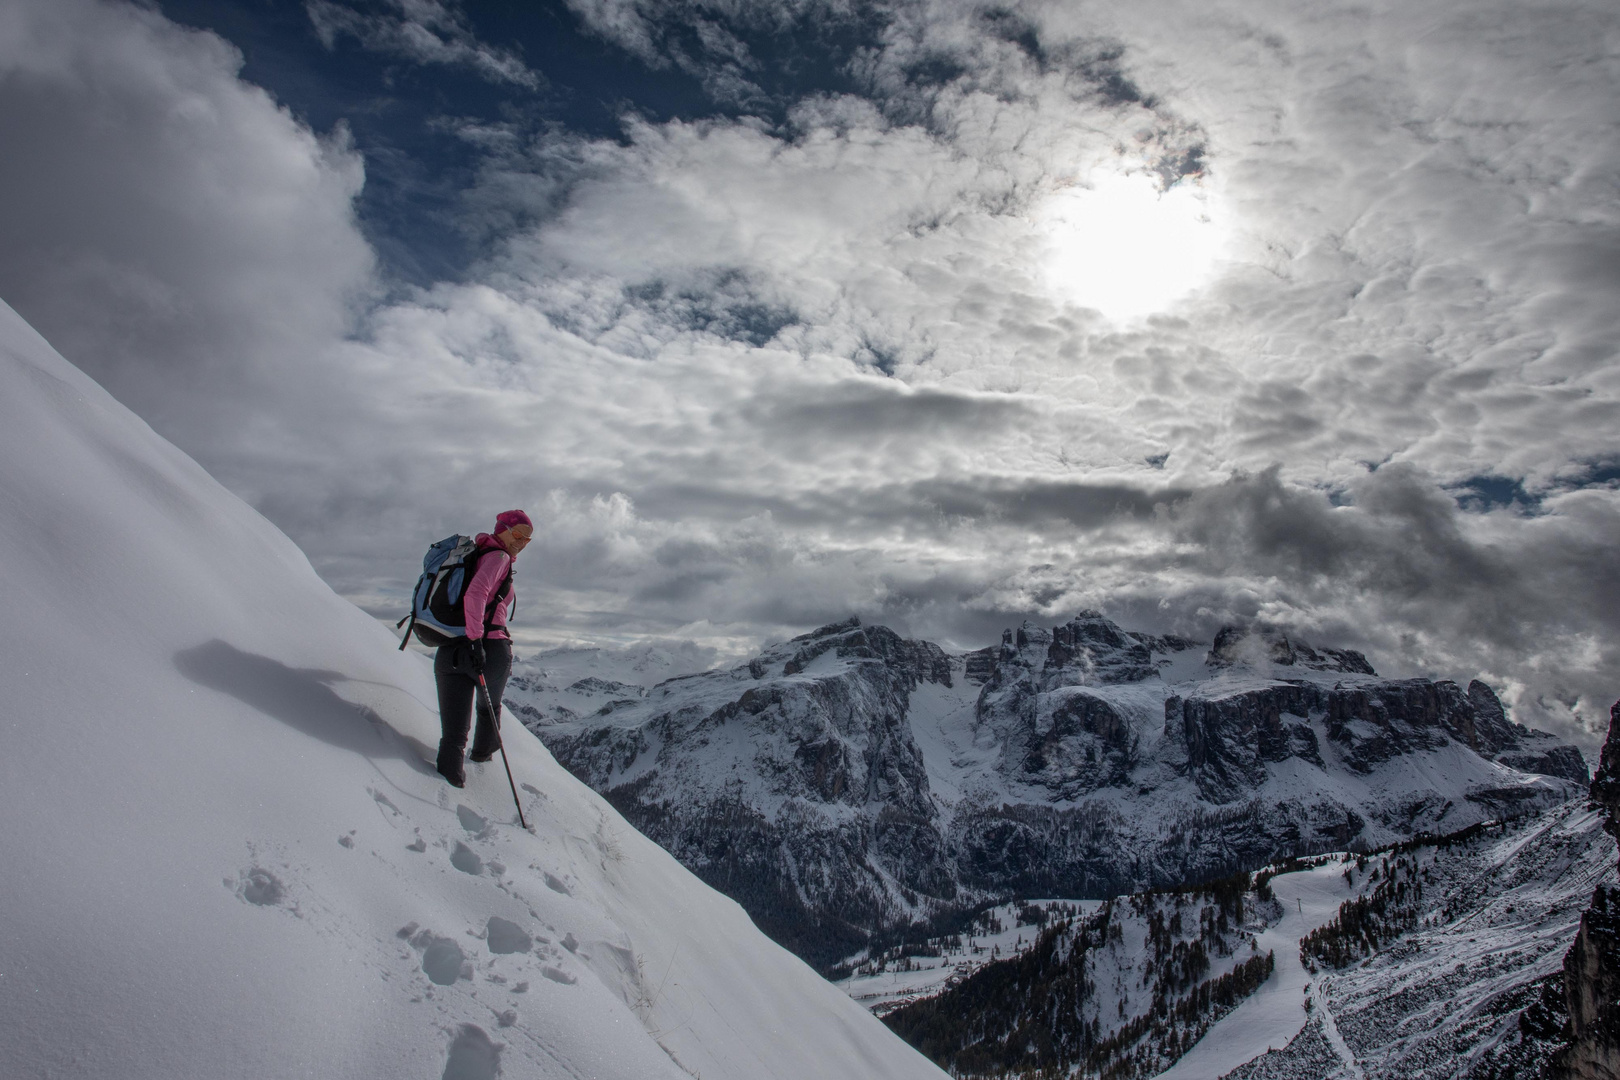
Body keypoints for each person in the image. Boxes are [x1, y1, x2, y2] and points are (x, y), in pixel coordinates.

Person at [434, 509, 531, 788]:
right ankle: (483, 772)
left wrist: (468, 638)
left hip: (450, 648)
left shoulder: (474, 557)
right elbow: (476, 593)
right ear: (501, 529)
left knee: (452, 736)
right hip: (488, 646)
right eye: (517, 534)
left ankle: (445, 786)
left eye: (528, 539)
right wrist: (477, 640)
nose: (522, 542)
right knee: (489, 709)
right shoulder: (499, 557)